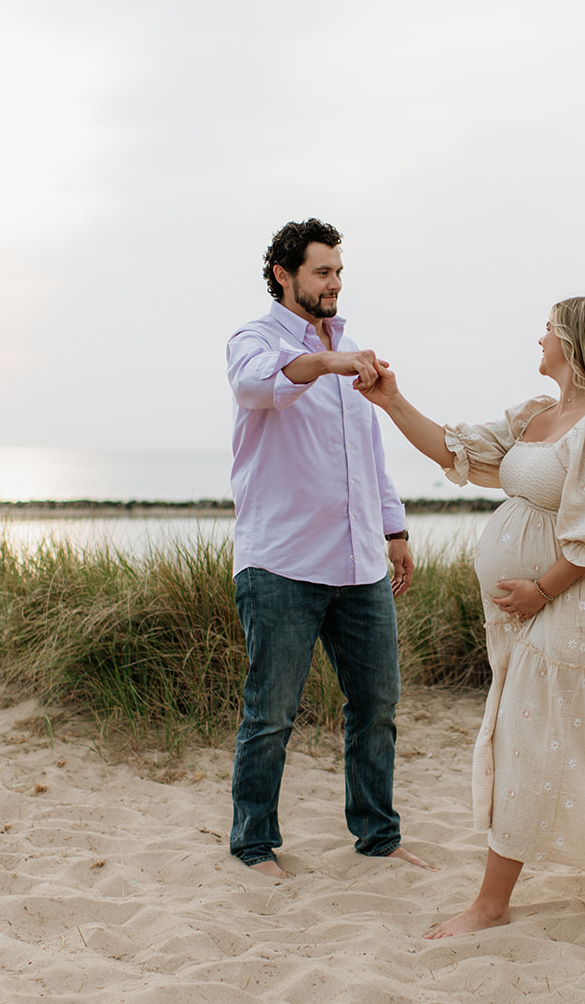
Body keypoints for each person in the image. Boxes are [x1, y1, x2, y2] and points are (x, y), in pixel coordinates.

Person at [362, 295, 585, 936]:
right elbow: (455, 450)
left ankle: (491, 904)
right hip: (534, 611)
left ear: (575, 341)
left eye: (548, 329)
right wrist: (391, 400)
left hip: (576, 606)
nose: (538, 340)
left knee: (527, 741)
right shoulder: (539, 417)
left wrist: (541, 591)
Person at [225, 218, 435, 880]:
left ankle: (378, 836)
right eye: (322, 271)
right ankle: (253, 842)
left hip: (358, 563)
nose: (334, 283)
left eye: (339, 271)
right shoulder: (253, 341)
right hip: (281, 561)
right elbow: (260, 386)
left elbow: (366, 458)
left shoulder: (350, 355)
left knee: (377, 704)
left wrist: (394, 531)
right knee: (272, 710)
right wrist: (327, 362)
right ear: (284, 275)